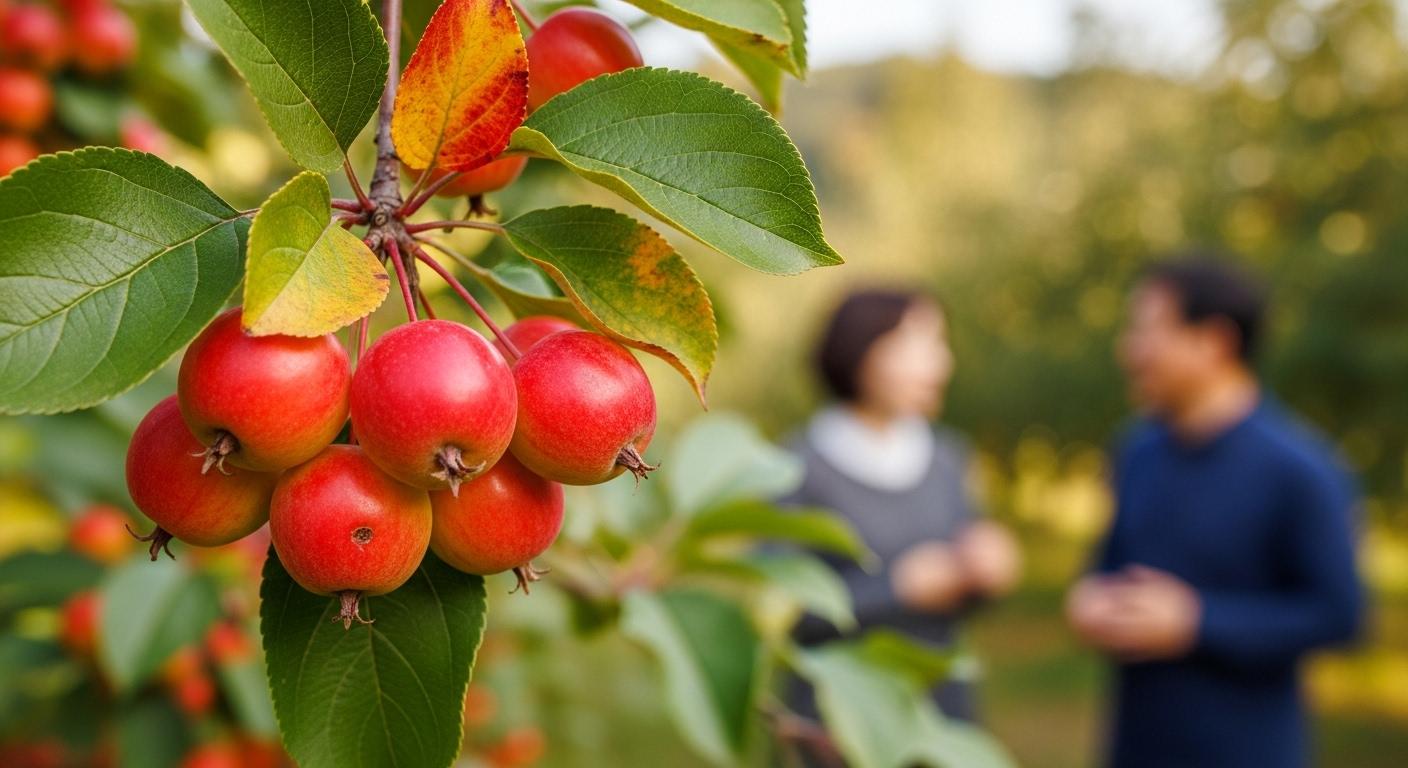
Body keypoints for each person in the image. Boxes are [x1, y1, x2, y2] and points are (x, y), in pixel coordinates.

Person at [1067, 257, 1365, 768]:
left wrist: (1200, 622)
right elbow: (1112, 562)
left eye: (1147, 331)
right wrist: (1092, 597)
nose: (1130, 351)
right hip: (1137, 746)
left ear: (1214, 341)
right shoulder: (1136, 451)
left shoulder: (1302, 470)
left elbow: (1339, 615)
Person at [784, 289, 1021, 723]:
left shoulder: (949, 457)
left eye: (940, 345)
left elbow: (959, 596)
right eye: (918, 344)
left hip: (941, 710)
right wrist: (895, 590)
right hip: (837, 721)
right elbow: (780, 611)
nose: (940, 364)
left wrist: (986, 573)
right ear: (861, 350)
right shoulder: (796, 467)